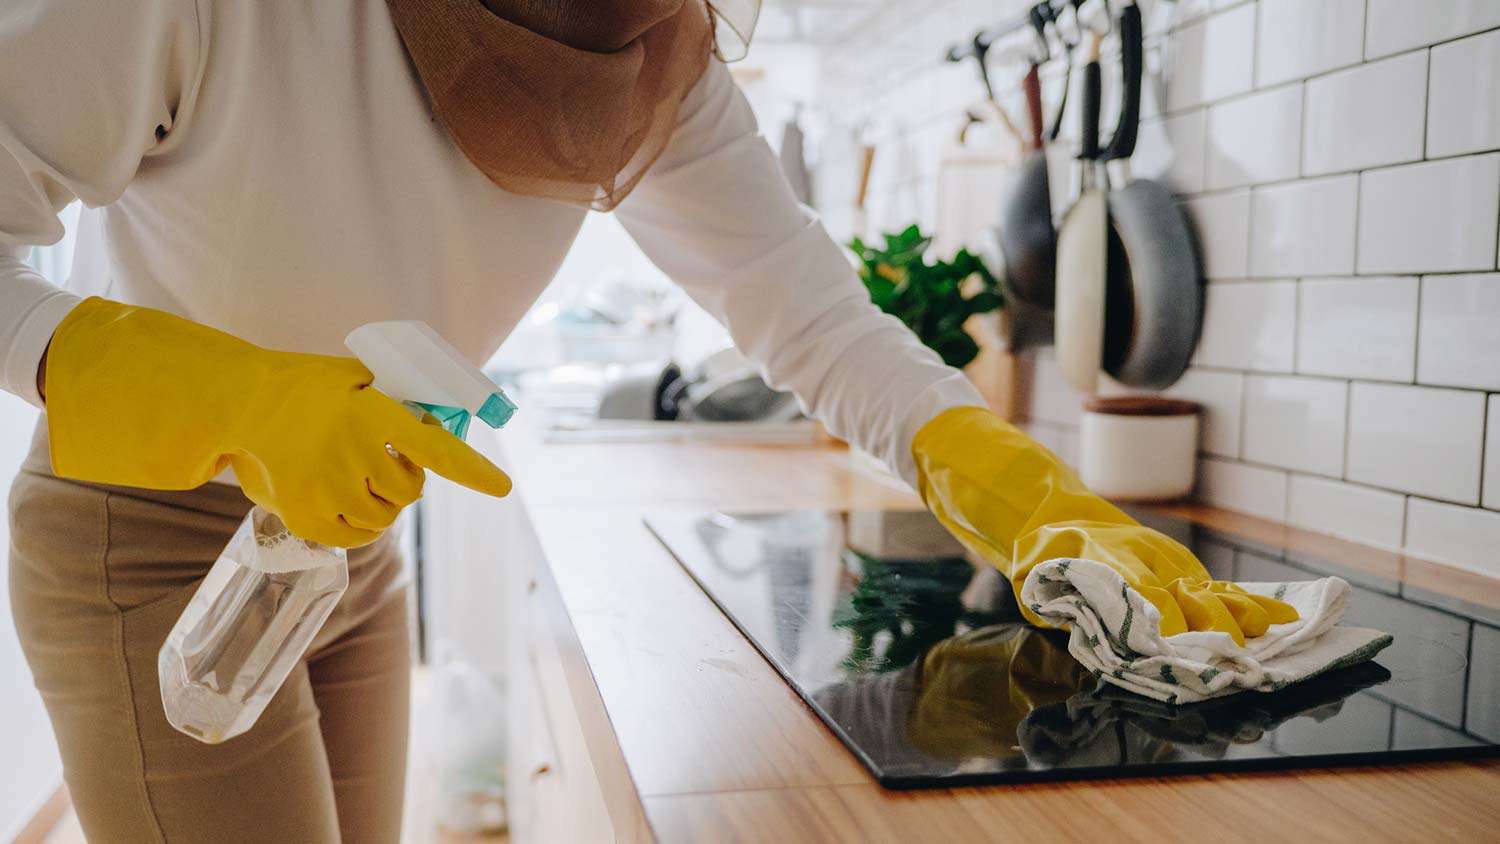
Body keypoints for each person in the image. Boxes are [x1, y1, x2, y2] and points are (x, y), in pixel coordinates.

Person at [0, 2, 1294, 841]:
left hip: (344, 541)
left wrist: (1034, 496)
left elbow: (820, 326)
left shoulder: (638, 47)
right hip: (148, 547)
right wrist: (210, 390)